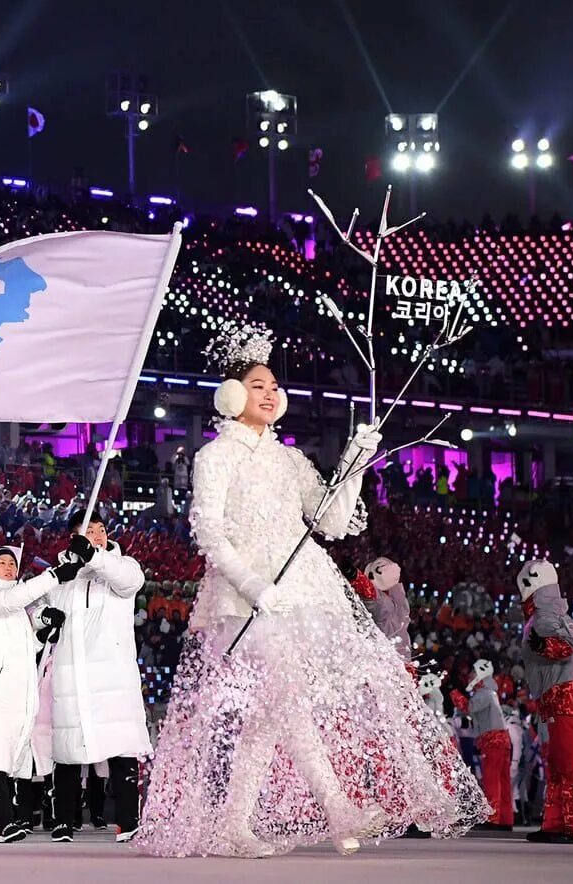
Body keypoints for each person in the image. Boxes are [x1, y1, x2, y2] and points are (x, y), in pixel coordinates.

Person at [136, 336, 486, 858]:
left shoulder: (289, 458)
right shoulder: (216, 455)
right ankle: (340, 806)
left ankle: (235, 825)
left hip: (301, 591)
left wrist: (355, 463)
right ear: (231, 394)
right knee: (287, 699)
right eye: (258, 385)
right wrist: (251, 584)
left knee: (272, 711)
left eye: (275, 385)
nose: (271, 393)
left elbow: (332, 520)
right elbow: (208, 530)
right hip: (245, 601)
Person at [0, 543, 81, 843]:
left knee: (8, 757)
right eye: (2, 562)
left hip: (16, 692)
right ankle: (5, 822)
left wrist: (43, 630)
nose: (9, 567)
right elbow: (9, 600)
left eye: (12, 563)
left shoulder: (12, 607)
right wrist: (53, 576)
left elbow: (25, 644)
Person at [45, 513, 150, 844]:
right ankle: (64, 821)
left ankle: (128, 820)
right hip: (71, 675)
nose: (98, 534)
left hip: (112, 675)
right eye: (89, 531)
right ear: (72, 536)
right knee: (68, 752)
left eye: (101, 529)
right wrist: (43, 620)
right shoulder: (61, 578)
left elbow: (130, 582)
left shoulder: (122, 566)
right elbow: (40, 614)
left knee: (121, 748)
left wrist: (93, 555)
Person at [516, 559, 573, 844]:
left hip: (566, 695)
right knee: (558, 762)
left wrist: (544, 645)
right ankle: (557, 823)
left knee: (569, 764)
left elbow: (564, 649)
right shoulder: (555, 613)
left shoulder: (545, 614)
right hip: (563, 695)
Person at [454, 658, 513, 833]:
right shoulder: (491, 693)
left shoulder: (484, 694)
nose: (470, 676)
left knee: (491, 779)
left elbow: (469, 708)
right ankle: (505, 819)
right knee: (503, 780)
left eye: (473, 672)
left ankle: (492, 818)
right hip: (502, 740)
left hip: (492, 741)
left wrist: (455, 694)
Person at [363, 557, 412, 660]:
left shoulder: (387, 603)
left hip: (387, 660)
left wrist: (356, 578)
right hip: (402, 659)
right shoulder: (400, 599)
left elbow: (372, 598)